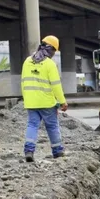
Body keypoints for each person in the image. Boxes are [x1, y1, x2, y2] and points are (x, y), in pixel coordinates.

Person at [21, 35, 67, 163]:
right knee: (52, 126)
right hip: (47, 103)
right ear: (51, 49)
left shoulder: (27, 62)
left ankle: (29, 151)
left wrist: (27, 99)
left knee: (32, 125)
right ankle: (57, 151)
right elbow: (56, 86)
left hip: (31, 102)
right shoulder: (49, 64)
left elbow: (23, 83)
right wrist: (62, 102)